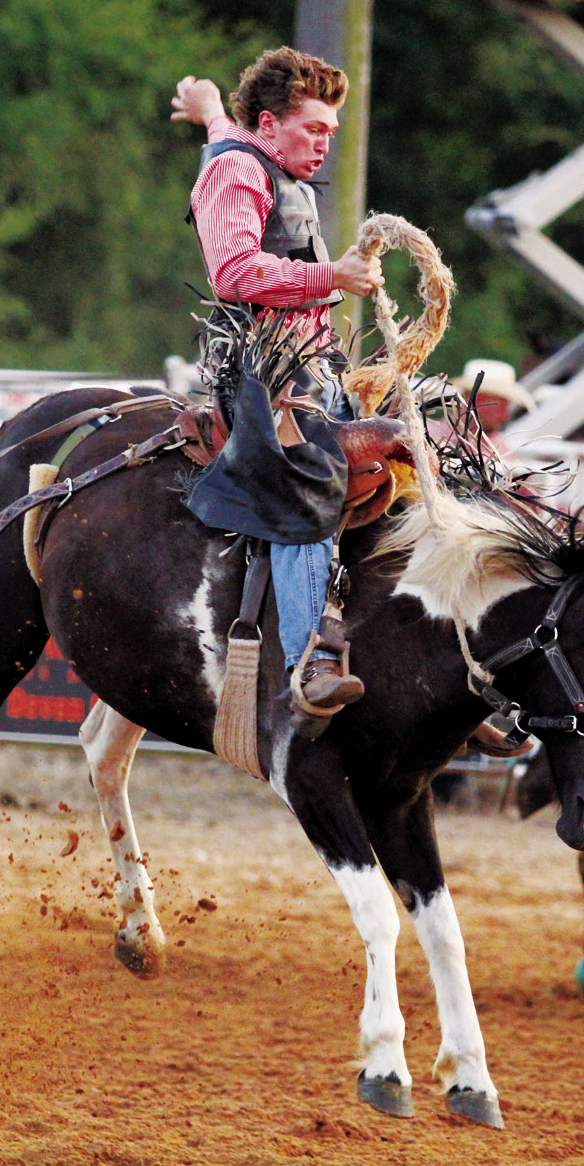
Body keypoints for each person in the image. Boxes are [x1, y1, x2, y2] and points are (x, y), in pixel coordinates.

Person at [172, 48, 383, 719]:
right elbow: (232, 273)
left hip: (311, 369)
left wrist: (206, 107)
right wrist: (334, 279)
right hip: (263, 379)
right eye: (312, 129)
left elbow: (221, 126)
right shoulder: (237, 170)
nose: (323, 144)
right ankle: (310, 660)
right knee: (309, 483)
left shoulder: (244, 149)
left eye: (330, 132)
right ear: (269, 124)